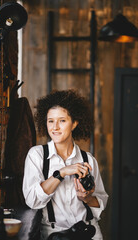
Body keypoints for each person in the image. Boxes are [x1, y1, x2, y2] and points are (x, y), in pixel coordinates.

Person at [23, 89, 108, 240]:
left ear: (74, 123)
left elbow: (100, 204)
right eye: (50, 121)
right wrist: (61, 173)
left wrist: (87, 198)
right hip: (55, 234)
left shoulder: (88, 160)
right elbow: (33, 201)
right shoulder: (36, 155)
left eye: (62, 121)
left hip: (89, 232)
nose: (55, 127)